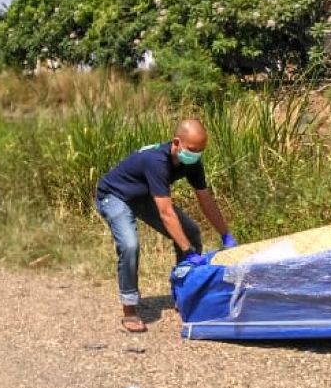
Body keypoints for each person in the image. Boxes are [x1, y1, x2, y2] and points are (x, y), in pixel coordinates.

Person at [95, 118, 236, 332]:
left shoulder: (192, 163)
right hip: (115, 195)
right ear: (176, 142)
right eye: (192, 149)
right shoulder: (156, 161)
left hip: (143, 195)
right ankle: (130, 308)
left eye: (200, 150)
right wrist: (187, 250)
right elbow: (166, 212)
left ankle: (185, 295)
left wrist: (225, 235)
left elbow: (205, 200)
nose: (196, 154)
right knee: (130, 245)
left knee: (191, 232)